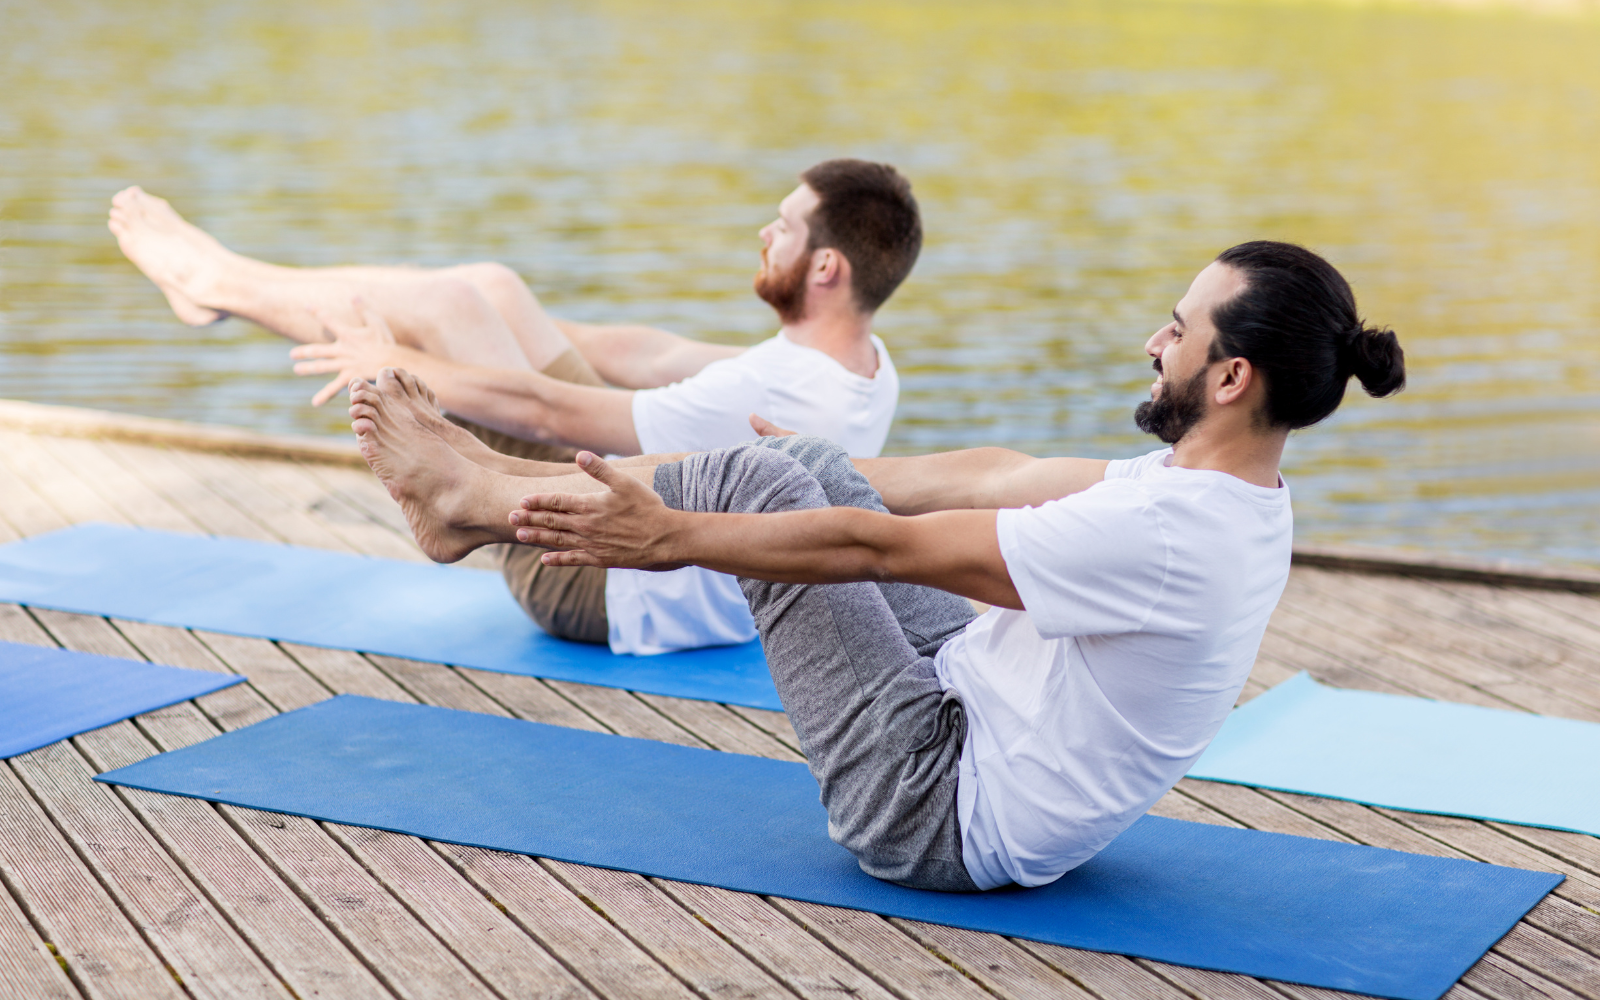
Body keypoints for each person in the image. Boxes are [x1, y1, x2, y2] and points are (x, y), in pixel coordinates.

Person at [342, 240, 1406, 892]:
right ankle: (476, 494)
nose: (1149, 342)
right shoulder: (1228, 492)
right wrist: (805, 462)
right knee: (795, 465)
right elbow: (997, 472)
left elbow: (873, 547)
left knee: (774, 486)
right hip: (975, 710)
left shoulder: (1169, 537)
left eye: (1173, 333)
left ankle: (475, 500)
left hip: (933, 804)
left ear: (1228, 374)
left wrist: (674, 536)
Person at [107, 159, 920, 655]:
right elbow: (649, 354)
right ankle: (218, 284)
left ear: (825, 270)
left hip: (594, 580)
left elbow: (550, 417)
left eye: (782, 228)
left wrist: (398, 358)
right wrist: (482, 326)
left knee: (459, 304)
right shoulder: (860, 366)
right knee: (487, 291)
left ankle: (216, 281)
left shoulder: (763, 391)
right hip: (659, 572)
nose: (763, 234)